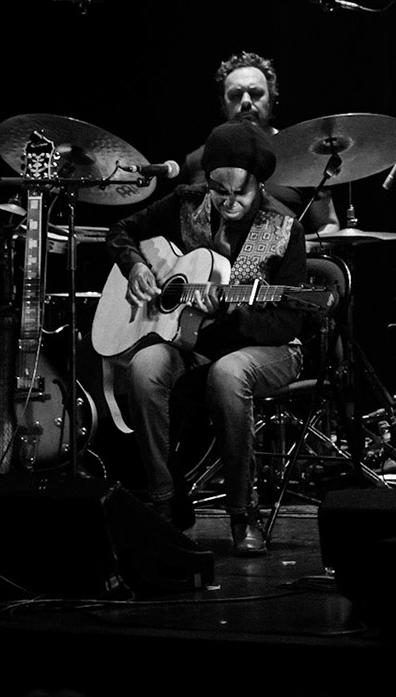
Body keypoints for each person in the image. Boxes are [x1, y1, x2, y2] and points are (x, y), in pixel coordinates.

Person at [104, 120, 307, 556]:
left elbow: (290, 321)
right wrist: (136, 266)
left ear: (260, 186)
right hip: (194, 343)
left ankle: (242, 514)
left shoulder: (285, 228)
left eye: (241, 193)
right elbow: (119, 230)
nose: (229, 202)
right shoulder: (186, 202)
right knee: (142, 368)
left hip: (267, 348)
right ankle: (165, 502)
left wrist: (235, 316)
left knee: (229, 374)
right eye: (220, 190)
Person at [178, 51, 337, 233]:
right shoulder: (196, 161)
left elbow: (329, 224)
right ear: (223, 103)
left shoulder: (304, 155)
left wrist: (299, 248)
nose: (246, 102)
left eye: (255, 94)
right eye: (236, 95)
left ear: (271, 98)